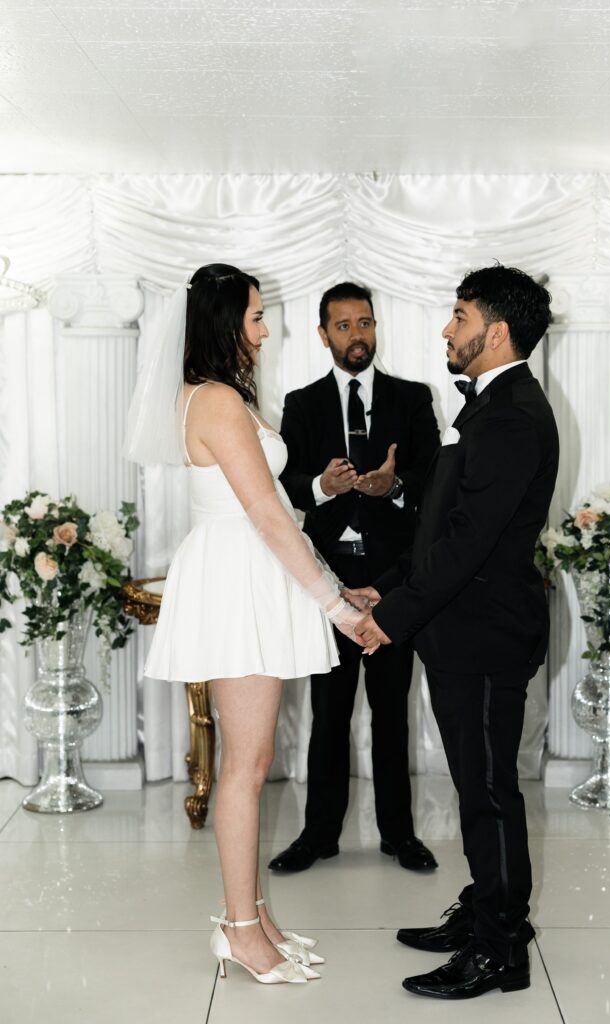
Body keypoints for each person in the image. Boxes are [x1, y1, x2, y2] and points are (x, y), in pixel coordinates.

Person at [124, 264, 372, 987]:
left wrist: (333, 582)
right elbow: (264, 516)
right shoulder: (217, 403)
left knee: (251, 760)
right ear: (226, 322)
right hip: (237, 578)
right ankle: (237, 929)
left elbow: (279, 515)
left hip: (251, 570)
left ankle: (255, 915)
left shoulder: (225, 397)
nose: (269, 328)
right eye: (259, 316)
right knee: (247, 764)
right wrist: (335, 608)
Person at [352, 265, 559, 999]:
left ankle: (500, 950)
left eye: (459, 315)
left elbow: (470, 541)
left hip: (483, 633)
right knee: (479, 785)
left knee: (488, 792)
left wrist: (390, 619)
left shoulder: (508, 414)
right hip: (462, 626)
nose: (447, 328)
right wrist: (394, 583)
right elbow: (444, 519)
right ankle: (484, 909)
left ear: (495, 332)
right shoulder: (489, 407)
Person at [268, 282, 441, 875]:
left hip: (394, 585)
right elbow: (284, 492)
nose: (356, 335)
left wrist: (390, 487)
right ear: (323, 336)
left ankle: (400, 835)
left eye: (364, 322)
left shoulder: (414, 399)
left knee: (393, 712)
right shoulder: (301, 403)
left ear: (376, 327)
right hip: (328, 585)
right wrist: (325, 487)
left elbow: (434, 488)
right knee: (328, 715)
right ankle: (319, 835)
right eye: (343, 326)